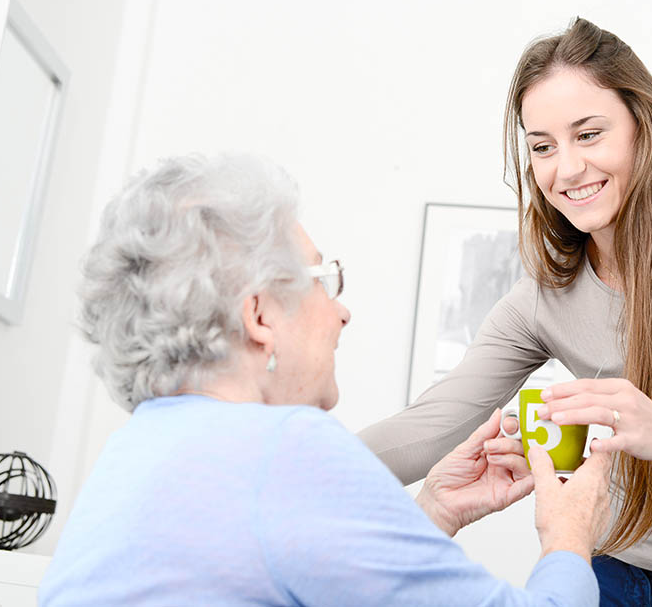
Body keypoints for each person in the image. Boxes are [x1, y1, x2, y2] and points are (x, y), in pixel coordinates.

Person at [359, 18, 652, 606]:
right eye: (543, 146)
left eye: (589, 134)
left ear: (642, 127)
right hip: (600, 566)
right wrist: (286, 469)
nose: (567, 169)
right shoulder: (541, 300)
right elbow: (427, 428)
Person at [38, 154, 613, 606]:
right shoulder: (284, 448)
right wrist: (568, 532)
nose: (341, 312)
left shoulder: (137, 449)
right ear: (259, 314)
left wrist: (434, 511)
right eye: (322, 279)